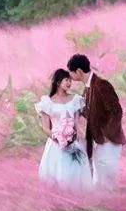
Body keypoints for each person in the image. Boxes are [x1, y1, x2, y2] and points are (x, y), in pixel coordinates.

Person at [66, 51, 124, 192]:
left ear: (78, 71)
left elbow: (117, 111)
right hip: (99, 141)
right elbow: (92, 114)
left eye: (71, 73)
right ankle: (103, 206)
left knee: (108, 179)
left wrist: (106, 135)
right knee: (99, 178)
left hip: (109, 141)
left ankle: (112, 205)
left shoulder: (101, 85)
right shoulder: (87, 89)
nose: (70, 77)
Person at [34, 66, 94, 195]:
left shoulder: (76, 100)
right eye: (66, 80)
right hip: (55, 145)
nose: (69, 83)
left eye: (69, 80)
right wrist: (58, 138)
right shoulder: (47, 102)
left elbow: (77, 125)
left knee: (74, 176)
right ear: (57, 82)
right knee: (58, 176)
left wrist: (74, 139)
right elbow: (45, 128)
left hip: (73, 143)